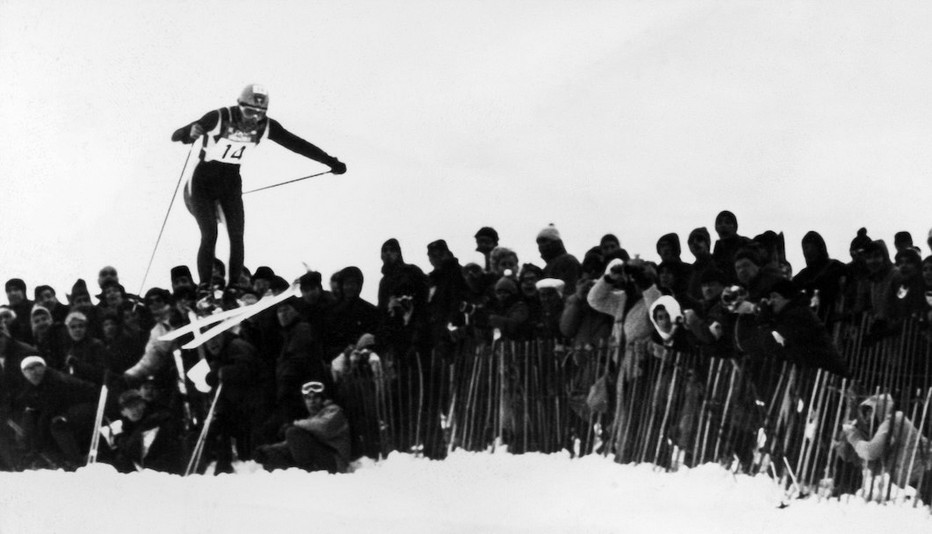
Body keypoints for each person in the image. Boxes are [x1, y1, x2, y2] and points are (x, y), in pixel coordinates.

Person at [171, 84, 347, 294]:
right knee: (210, 233)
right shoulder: (219, 117)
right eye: (248, 112)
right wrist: (190, 132)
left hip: (230, 184)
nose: (252, 119)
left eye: (259, 113)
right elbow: (177, 135)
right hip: (201, 183)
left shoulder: (265, 127)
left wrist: (330, 162)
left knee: (237, 236)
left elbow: (297, 144)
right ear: (239, 106)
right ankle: (204, 287)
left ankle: (234, 287)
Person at [254, 381, 351, 474]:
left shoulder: (334, 412)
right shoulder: (311, 419)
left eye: (316, 397)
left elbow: (323, 427)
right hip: (319, 460)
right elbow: (292, 444)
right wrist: (270, 449)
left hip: (335, 462)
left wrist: (294, 424)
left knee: (293, 432)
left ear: (323, 399)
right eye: (308, 398)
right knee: (271, 454)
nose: (312, 401)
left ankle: (306, 474)